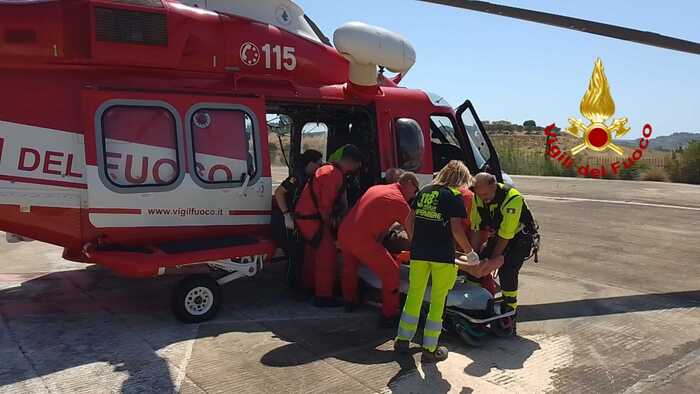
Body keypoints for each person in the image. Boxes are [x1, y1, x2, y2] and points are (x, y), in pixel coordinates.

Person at [394, 160, 480, 362]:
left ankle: (402, 340)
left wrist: (416, 242)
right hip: (442, 256)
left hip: (419, 254)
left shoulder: (425, 191)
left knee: (414, 294)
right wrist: (470, 252)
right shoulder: (453, 196)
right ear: (460, 178)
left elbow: (408, 220)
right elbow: (456, 229)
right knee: (437, 300)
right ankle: (430, 348)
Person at [339, 172, 420, 326]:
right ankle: (390, 314)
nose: (414, 195)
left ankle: (349, 302)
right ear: (409, 183)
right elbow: (414, 234)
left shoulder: (377, 189)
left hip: (345, 232)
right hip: (362, 240)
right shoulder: (398, 201)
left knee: (350, 268)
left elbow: (372, 218)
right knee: (391, 271)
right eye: (415, 191)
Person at [295, 144, 364, 307]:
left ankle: (310, 288)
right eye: (357, 166)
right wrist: (332, 230)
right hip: (313, 219)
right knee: (327, 255)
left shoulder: (327, 169)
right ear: (352, 163)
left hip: (305, 217)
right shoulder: (334, 175)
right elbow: (325, 205)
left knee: (312, 254)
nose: (356, 170)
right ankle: (323, 297)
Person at [468, 172, 539, 324]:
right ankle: (473, 301)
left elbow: (506, 236)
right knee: (477, 265)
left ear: (494, 186)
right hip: (499, 235)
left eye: (486, 194)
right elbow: (476, 229)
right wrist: (473, 255)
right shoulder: (478, 196)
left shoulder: (512, 198)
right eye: (479, 194)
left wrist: (493, 261)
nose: (483, 198)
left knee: (507, 271)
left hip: (519, 238)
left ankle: (509, 310)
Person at [271, 149, 323, 290]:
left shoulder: (309, 178)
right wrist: (286, 214)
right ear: (311, 163)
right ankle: (293, 289)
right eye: (318, 163)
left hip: (295, 221)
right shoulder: (297, 178)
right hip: (284, 220)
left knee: (298, 254)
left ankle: (297, 285)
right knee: (294, 255)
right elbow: (279, 192)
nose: (320, 166)